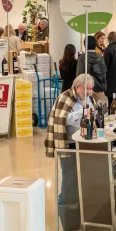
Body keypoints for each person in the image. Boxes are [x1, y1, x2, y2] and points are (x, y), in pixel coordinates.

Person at [44, 74, 95, 206]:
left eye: (91, 89)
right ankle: (65, 203)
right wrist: (81, 113)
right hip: (69, 143)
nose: (89, 92)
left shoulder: (89, 99)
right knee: (69, 174)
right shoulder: (64, 98)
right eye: (86, 89)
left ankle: (78, 202)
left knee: (82, 174)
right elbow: (61, 120)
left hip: (84, 142)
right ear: (77, 87)